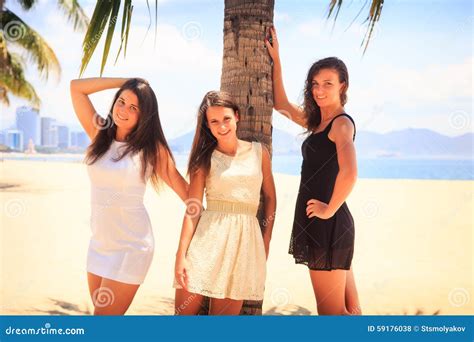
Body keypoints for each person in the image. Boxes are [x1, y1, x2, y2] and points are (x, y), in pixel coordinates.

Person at [70, 77, 189, 315]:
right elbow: (76, 88)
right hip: (99, 244)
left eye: (134, 107)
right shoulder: (99, 133)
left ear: (145, 116)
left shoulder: (151, 149)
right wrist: (126, 82)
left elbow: (188, 196)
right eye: (121, 102)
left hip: (131, 247)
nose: (123, 110)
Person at [265, 28, 361, 315]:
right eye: (315, 84)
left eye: (328, 83)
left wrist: (329, 210)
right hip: (326, 222)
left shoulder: (341, 125)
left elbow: (350, 173)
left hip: (328, 224)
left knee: (331, 315)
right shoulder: (319, 121)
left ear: (343, 85)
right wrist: (277, 60)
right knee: (350, 311)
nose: (319, 90)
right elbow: (280, 104)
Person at [173, 91, 276, 315]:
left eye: (226, 119)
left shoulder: (259, 153)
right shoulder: (204, 158)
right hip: (206, 242)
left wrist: (266, 239)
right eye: (214, 121)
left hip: (244, 244)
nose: (221, 126)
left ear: (237, 116)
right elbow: (193, 209)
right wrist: (181, 255)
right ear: (207, 125)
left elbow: (270, 197)